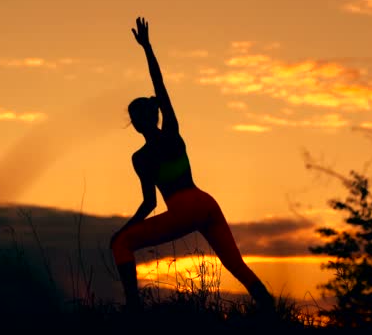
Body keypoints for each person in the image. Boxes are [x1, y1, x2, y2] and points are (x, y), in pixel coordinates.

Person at [110, 17, 275, 313]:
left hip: (184, 209)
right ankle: (271, 309)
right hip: (206, 203)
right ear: (155, 116)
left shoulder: (141, 157)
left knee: (121, 245)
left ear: (136, 123)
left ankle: (133, 313)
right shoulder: (172, 132)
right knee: (236, 264)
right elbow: (160, 86)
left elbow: (149, 203)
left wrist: (122, 230)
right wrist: (147, 48)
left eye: (135, 119)